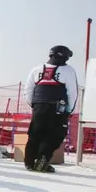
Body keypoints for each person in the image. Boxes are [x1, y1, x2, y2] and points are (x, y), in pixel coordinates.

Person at [23, 45, 79, 173]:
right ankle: (42, 161)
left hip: (38, 107)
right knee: (54, 135)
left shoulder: (36, 69)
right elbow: (72, 92)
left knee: (35, 134)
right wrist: (69, 110)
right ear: (65, 57)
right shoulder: (68, 70)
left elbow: (28, 90)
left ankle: (29, 162)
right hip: (58, 107)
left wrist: (34, 105)